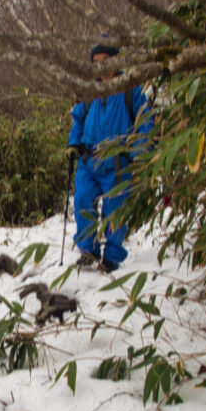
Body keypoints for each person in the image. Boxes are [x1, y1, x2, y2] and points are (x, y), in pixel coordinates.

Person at [65, 43, 154, 273]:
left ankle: (111, 258)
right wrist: (73, 144)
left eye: (105, 62)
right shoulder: (89, 91)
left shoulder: (131, 88)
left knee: (115, 210)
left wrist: (139, 155)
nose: (101, 68)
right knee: (83, 200)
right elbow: (78, 120)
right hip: (88, 159)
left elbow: (145, 121)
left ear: (117, 61)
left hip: (118, 161)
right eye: (96, 63)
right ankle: (88, 250)